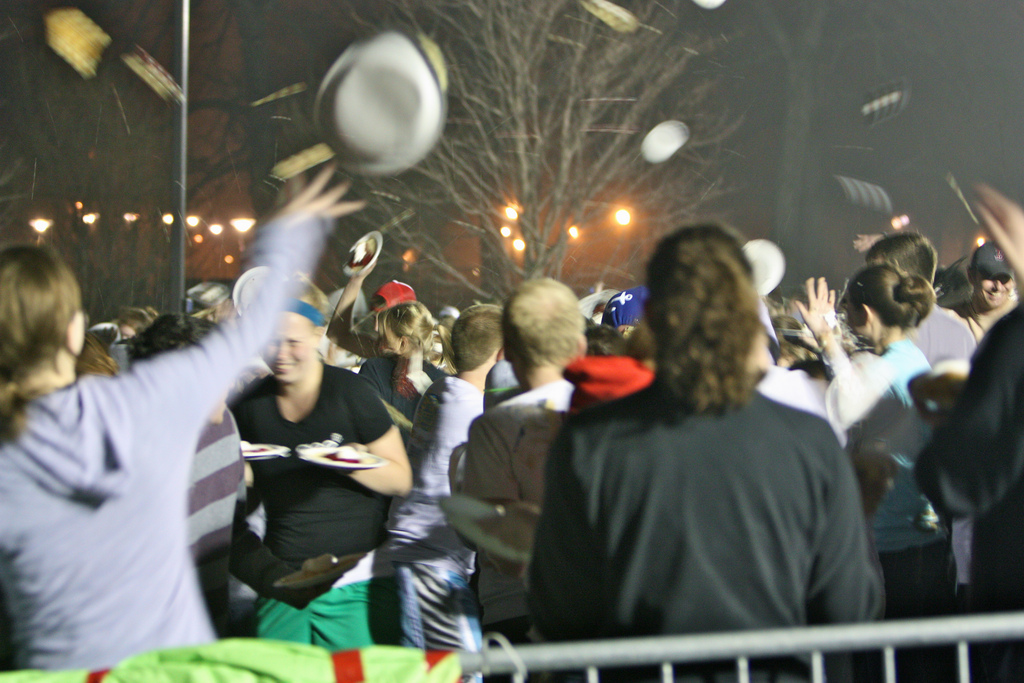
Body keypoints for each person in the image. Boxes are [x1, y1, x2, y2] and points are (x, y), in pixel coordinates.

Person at [0, 167, 355, 671]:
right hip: (172, 666)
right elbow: (253, 329)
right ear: (77, 332)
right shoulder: (140, 404)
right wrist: (289, 233)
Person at [529, 225, 880, 681]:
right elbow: (849, 603)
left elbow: (559, 606)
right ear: (744, 319)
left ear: (653, 319)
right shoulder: (808, 441)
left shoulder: (592, 443)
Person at [230, 278, 412, 652]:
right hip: (284, 581)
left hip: (357, 581)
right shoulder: (250, 405)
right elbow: (236, 498)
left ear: (316, 335)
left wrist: (351, 462)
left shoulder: (350, 392)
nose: (280, 353)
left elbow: (402, 479)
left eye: (293, 341)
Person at [799, 265, 954, 683]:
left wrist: (828, 341)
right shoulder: (910, 360)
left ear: (864, 314)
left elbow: (848, 402)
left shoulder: (888, 368)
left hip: (898, 549)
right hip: (919, 542)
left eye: (846, 308)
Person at [916, 185, 1024, 682]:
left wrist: (945, 429)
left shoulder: (1012, 341)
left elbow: (959, 478)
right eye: (989, 276)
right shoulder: (977, 332)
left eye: (1008, 277)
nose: (998, 287)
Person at [460, 279, 585, 642]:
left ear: (508, 353)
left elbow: (500, 550)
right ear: (580, 347)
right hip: (597, 610)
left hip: (515, 612)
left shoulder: (494, 428)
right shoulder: (607, 416)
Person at [383, 304, 504, 653]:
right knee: (456, 672)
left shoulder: (442, 391)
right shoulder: (471, 411)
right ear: (502, 354)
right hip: (431, 560)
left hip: (420, 552)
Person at [127, 314, 244, 636]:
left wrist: (282, 579)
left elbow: (235, 533)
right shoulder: (120, 448)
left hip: (204, 637)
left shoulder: (225, 425)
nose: (232, 382)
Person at [866, 232, 976, 365]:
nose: (866, 283)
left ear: (903, 279)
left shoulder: (880, 332)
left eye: (875, 275)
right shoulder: (961, 334)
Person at [956, 240, 1018, 342]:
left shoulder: (1019, 324)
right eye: (989, 276)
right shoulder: (952, 319)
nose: (998, 287)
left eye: (1004, 278)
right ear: (971, 275)